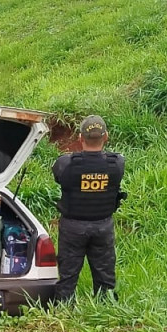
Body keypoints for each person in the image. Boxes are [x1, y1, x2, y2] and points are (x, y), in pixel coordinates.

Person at [51, 115, 126, 302]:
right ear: (106, 136)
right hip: (103, 226)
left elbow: (58, 176)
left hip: (73, 227)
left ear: (80, 137)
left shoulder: (65, 163)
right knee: (105, 274)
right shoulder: (117, 163)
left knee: (68, 275)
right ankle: (107, 309)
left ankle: (63, 310)